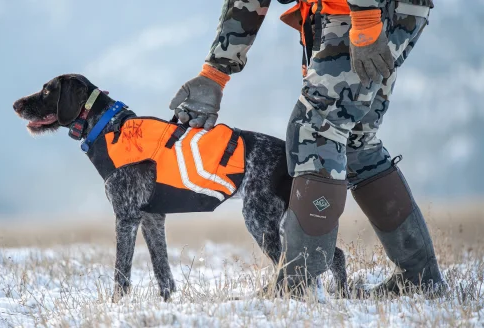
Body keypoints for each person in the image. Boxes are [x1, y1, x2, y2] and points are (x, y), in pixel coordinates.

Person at [169, 0, 446, 297]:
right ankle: (419, 280)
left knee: (315, 133)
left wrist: (365, 17)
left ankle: (298, 285)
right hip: (381, 11)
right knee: (354, 141)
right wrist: (215, 73)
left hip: (360, 11)